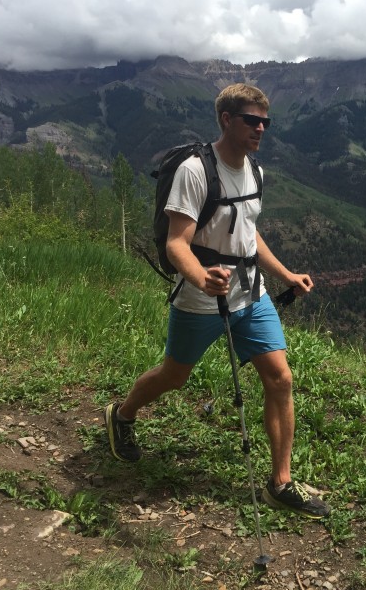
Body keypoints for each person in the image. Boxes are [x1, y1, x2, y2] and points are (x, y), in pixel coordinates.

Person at [104, 83, 330, 519]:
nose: (261, 128)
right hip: (202, 298)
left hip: (252, 294)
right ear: (227, 120)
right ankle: (123, 413)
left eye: (265, 121)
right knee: (174, 375)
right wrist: (200, 278)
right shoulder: (194, 171)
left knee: (280, 379)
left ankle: (280, 482)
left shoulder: (255, 172)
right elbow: (176, 243)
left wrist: (284, 274)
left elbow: (249, 235)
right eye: (252, 120)